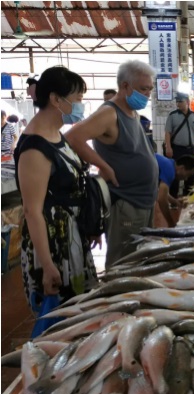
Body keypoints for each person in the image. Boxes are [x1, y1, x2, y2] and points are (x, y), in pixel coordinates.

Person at [13, 66, 98, 312]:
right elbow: (32, 211)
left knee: (79, 310)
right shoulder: (34, 148)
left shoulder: (56, 135)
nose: (81, 105)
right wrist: (48, 265)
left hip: (71, 236)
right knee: (60, 316)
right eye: (78, 99)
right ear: (55, 99)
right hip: (52, 245)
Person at [65, 60, 158, 268]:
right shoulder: (109, 113)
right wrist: (104, 167)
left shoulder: (131, 113)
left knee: (139, 260)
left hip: (141, 200)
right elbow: (73, 137)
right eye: (143, 89)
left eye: (150, 89)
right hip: (126, 201)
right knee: (123, 263)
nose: (147, 95)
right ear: (125, 86)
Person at [164, 92, 194, 196]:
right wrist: (168, 147)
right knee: (175, 174)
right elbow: (167, 132)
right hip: (177, 149)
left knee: (190, 174)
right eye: (177, 102)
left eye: (180, 102)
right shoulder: (172, 116)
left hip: (190, 149)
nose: (178, 104)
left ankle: (188, 197)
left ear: (187, 102)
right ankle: (173, 198)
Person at [155, 154, 194, 227]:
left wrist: (175, 201)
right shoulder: (170, 170)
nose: (186, 179)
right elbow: (162, 199)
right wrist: (171, 223)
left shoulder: (169, 164)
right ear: (182, 168)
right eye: (187, 175)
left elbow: (161, 192)